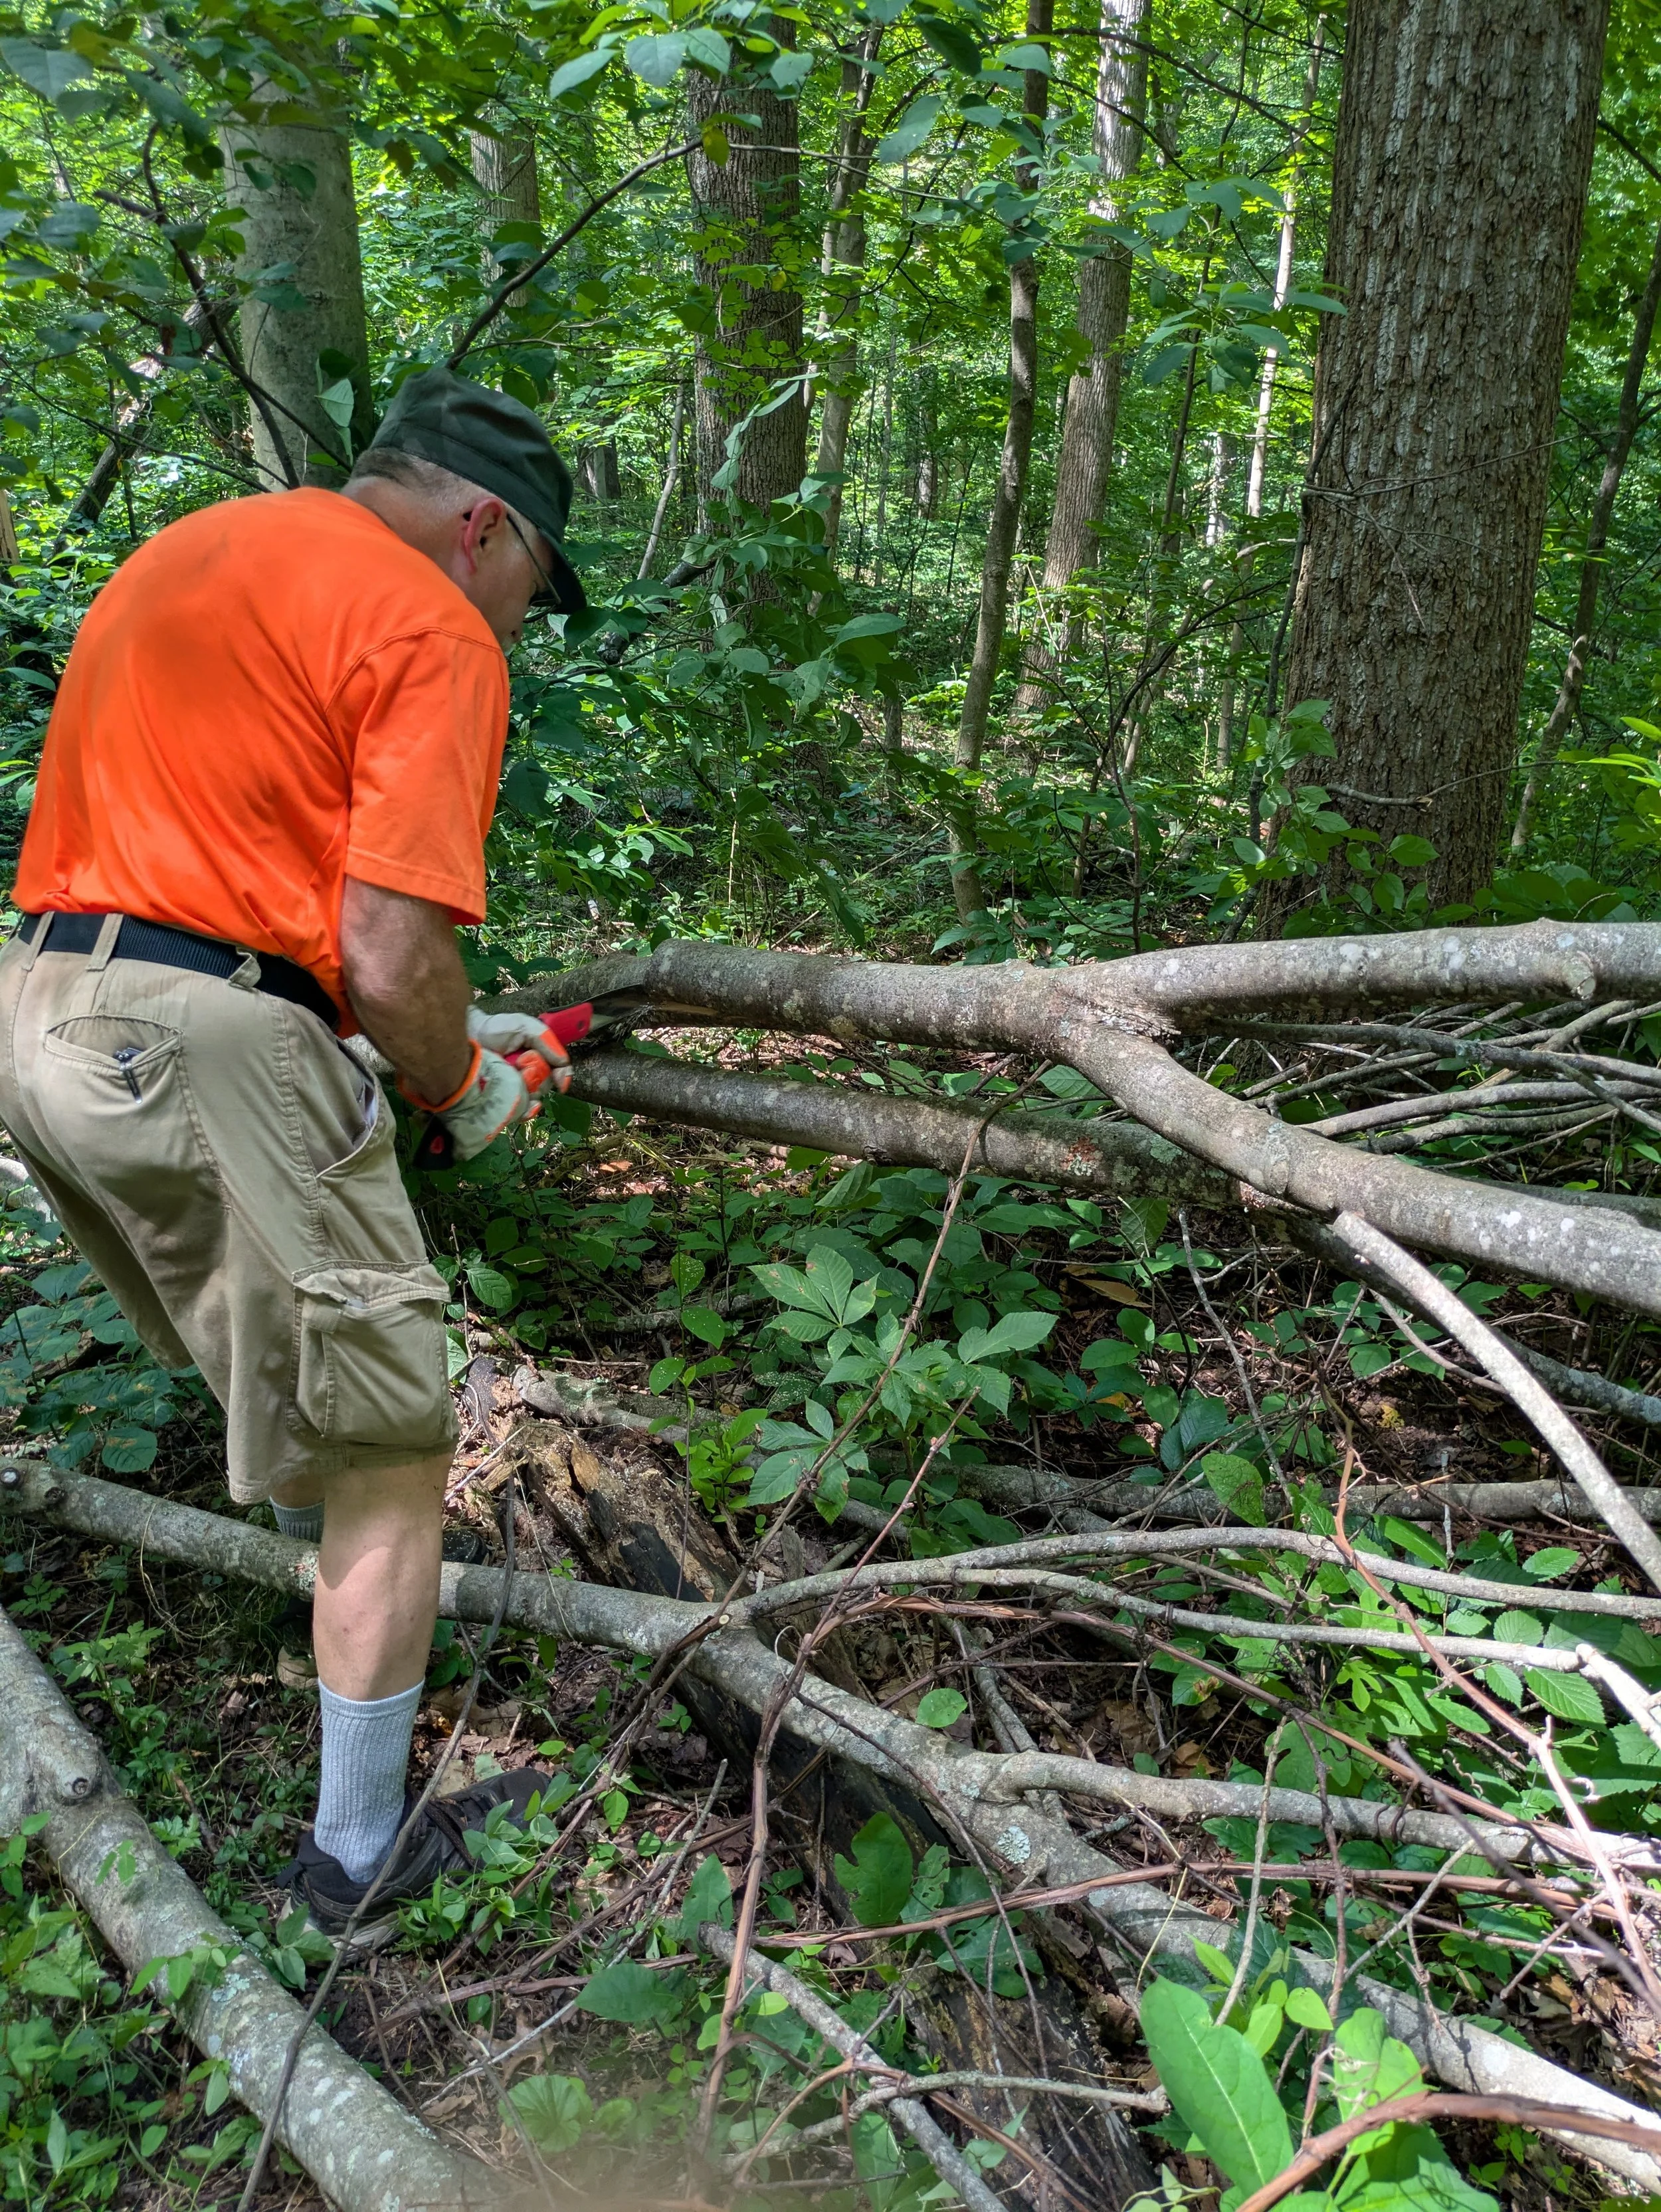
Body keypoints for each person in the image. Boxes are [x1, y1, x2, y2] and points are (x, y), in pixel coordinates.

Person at [0, 367, 584, 1939]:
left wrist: (424, 1025)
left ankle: (331, 1632)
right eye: (534, 580)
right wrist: (461, 1084)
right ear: (482, 526)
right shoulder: (430, 620)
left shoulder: (198, 548)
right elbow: (387, 950)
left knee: (272, 1362)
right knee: (392, 1445)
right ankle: (357, 1856)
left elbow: (230, 887)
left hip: (47, 1011)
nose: (522, 618)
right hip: (195, 1037)